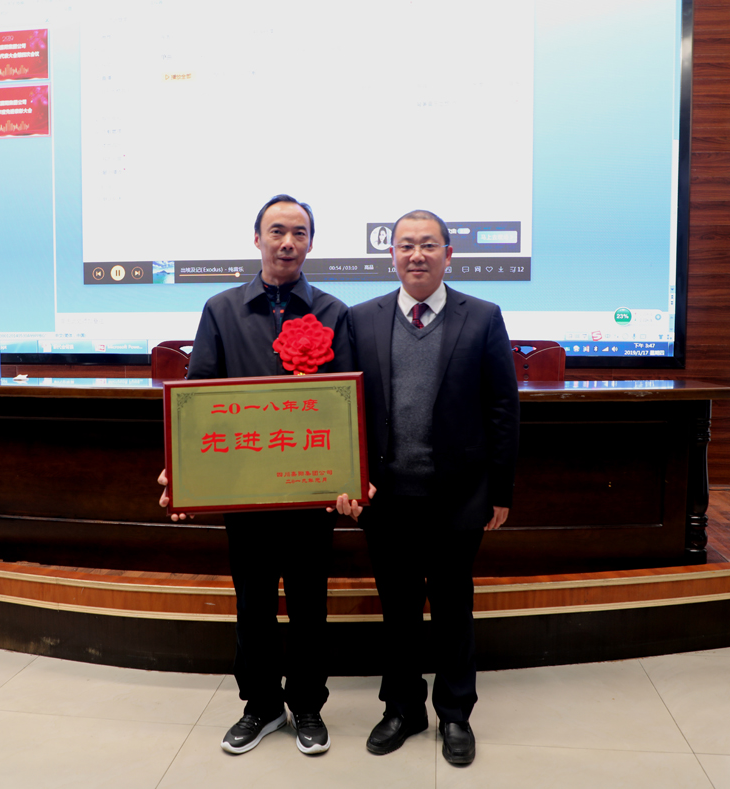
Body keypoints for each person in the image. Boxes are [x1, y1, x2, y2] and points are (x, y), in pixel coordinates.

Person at [159, 195, 353, 756]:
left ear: (311, 242)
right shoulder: (221, 309)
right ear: (257, 239)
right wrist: (184, 470)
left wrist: (349, 473)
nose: (287, 242)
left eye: (299, 233)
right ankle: (261, 706)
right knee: (253, 602)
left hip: (312, 486)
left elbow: (345, 403)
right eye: (277, 231)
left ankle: (308, 706)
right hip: (245, 486)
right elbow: (198, 397)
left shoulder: (334, 312)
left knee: (310, 603)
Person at [338, 209, 519, 766]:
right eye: (406, 245)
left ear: (448, 254)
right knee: (397, 609)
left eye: (428, 245)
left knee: (452, 607)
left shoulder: (482, 316)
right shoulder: (360, 319)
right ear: (391, 253)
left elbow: (502, 408)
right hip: (386, 496)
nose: (416, 255)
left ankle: (456, 713)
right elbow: (344, 406)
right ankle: (403, 709)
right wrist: (346, 481)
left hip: (457, 495)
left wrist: (501, 490)